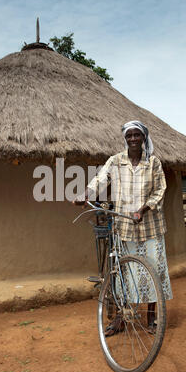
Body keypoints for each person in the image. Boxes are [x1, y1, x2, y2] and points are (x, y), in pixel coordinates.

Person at [73, 120, 173, 335]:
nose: (133, 139)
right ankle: (121, 318)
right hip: (124, 227)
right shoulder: (116, 161)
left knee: (152, 271)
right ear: (125, 138)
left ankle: (151, 316)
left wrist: (143, 210)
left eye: (137, 135)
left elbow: (159, 190)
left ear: (144, 137)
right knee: (122, 272)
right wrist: (86, 195)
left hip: (150, 227)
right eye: (129, 135)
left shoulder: (153, 163)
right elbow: (100, 179)